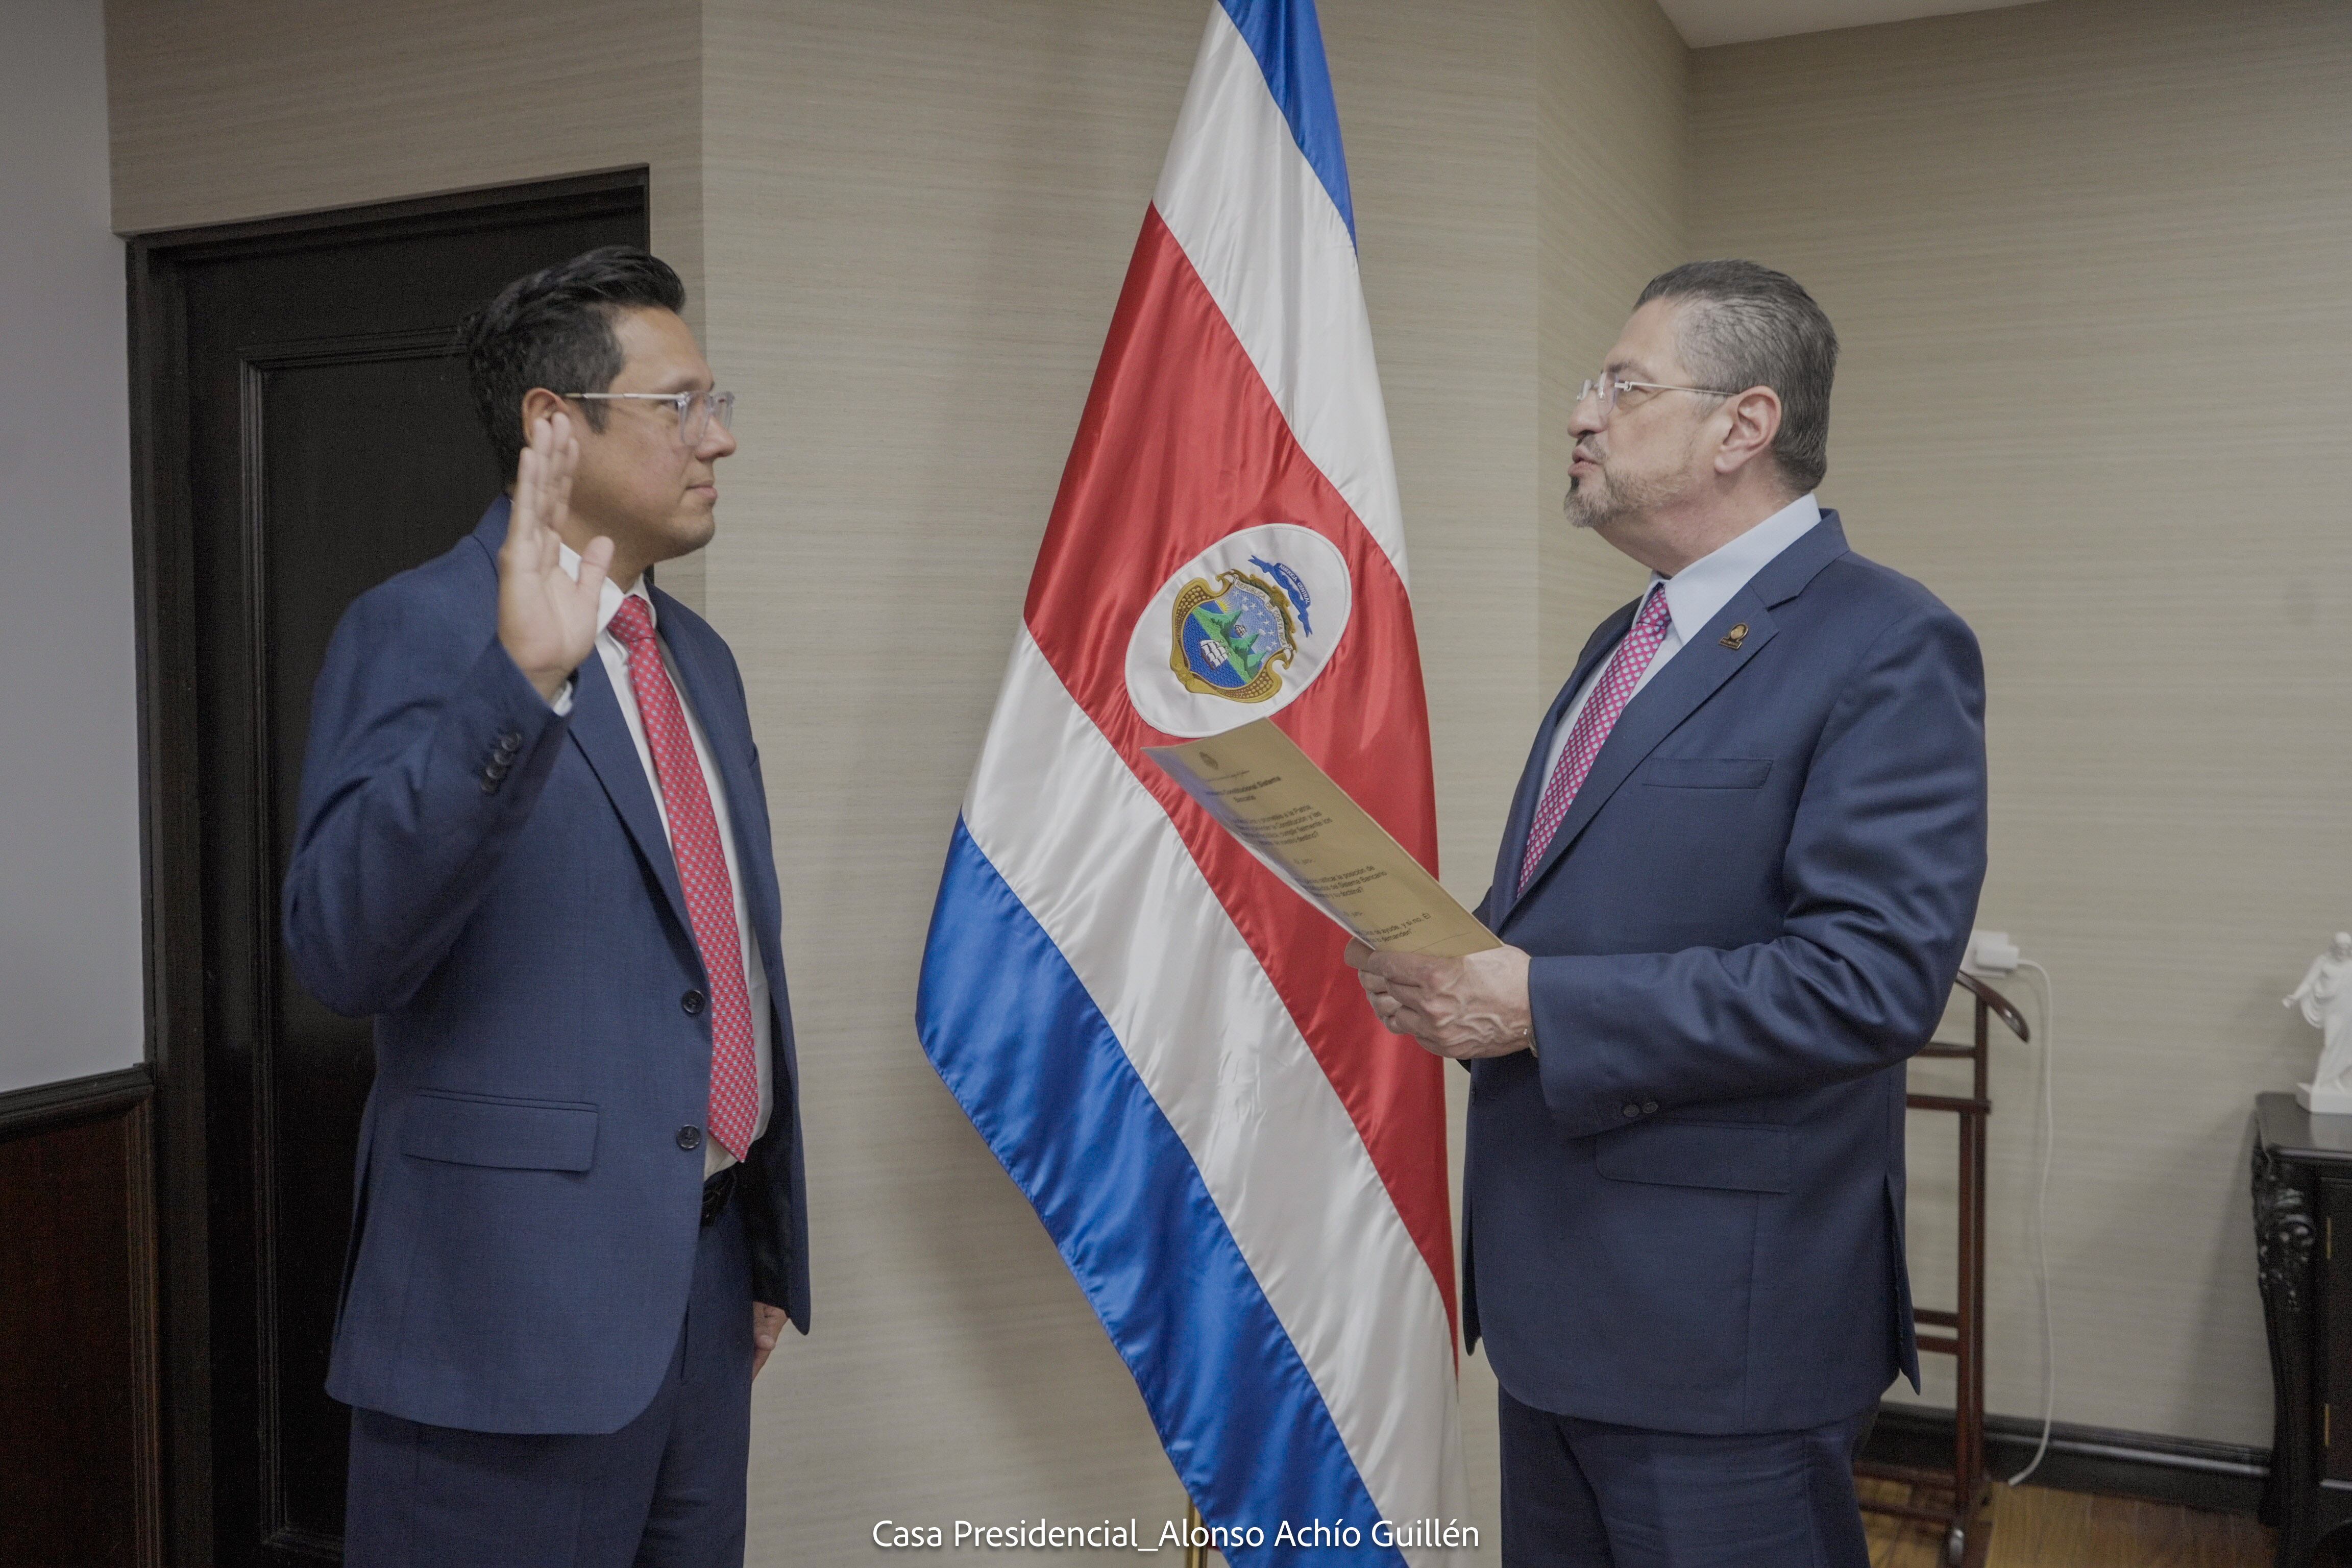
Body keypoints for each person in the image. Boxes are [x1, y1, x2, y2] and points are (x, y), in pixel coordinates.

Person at [1351, 260, 1987, 1567]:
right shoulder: (1623, 640)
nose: (1580, 414)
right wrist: (1447, 964)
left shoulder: (1887, 641)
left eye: (1622, 386)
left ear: (1742, 425)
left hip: (1723, 1336)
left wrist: (1533, 1002)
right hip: (1551, 1302)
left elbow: (1868, 980)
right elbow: (1585, 914)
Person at [283, 246, 807, 1567]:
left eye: (716, 400)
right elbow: (344, 948)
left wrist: (757, 1242)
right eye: (678, 405)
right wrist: (517, 688)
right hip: (502, 1324)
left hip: (695, 1286)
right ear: (552, 425)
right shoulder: (417, 631)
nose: (720, 439)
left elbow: (715, 957)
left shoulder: (703, 659)